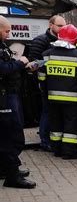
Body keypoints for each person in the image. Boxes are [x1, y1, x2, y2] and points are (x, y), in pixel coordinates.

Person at [38, 24, 77, 160]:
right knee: (71, 125)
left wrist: (45, 91)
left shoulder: (46, 55)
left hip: (52, 98)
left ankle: (57, 150)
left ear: (59, 37)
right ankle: (69, 152)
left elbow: (41, 77)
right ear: (76, 40)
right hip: (72, 99)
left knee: (56, 123)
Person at [0, 16, 36, 188]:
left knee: (8, 134)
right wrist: (20, 63)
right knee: (11, 135)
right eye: (6, 31)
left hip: (9, 95)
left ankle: (7, 168)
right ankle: (12, 176)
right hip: (3, 98)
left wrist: (19, 64)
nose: (8, 34)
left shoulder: (2, 46)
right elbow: (3, 69)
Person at [29, 15, 67, 151]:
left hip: (61, 85)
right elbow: (34, 64)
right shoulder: (40, 41)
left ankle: (53, 139)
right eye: (60, 26)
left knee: (55, 113)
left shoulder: (64, 40)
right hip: (46, 84)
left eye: (64, 26)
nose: (63, 28)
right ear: (51, 25)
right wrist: (41, 83)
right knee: (47, 112)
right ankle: (45, 141)